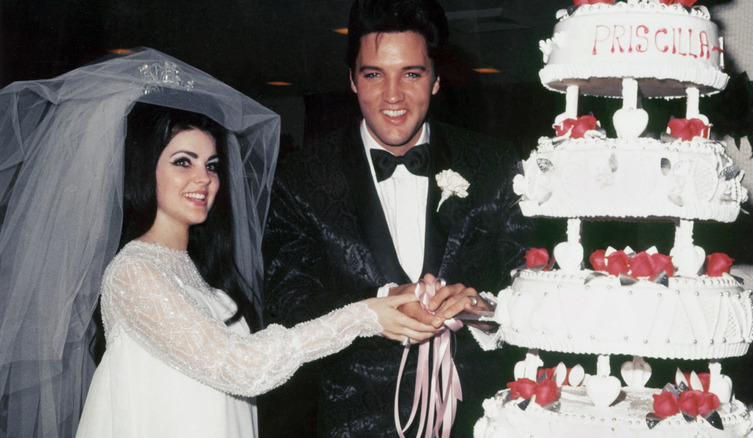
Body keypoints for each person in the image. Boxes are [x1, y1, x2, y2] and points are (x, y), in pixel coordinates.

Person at [0, 48, 444, 438]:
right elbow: (242, 368)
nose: (204, 179)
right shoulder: (132, 272)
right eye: (182, 162)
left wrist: (386, 299)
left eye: (211, 165)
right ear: (142, 170)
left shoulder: (195, 266)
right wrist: (363, 316)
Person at [259, 0, 534, 435]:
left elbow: (531, 277)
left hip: (476, 421)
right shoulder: (300, 177)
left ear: (437, 79)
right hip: (353, 421)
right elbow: (285, 299)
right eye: (373, 74)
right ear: (352, 80)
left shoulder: (494, 164)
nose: (392, 96)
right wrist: (376, 305)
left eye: (411, 73)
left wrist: (483, 308)